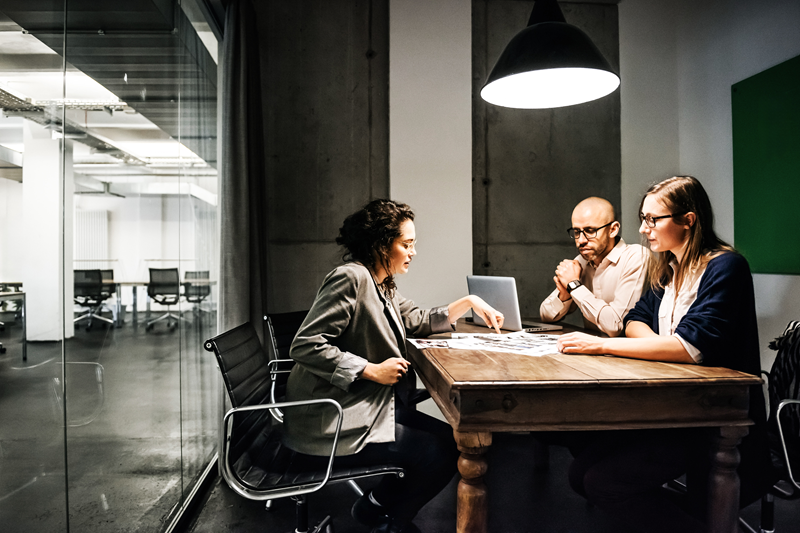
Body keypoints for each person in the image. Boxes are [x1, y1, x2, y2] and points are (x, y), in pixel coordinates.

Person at [555, 176, 773, 532]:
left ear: (689, 220)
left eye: (653, 219)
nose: (643, 229)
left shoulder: (725, 267)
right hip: (672, 404)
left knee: (602, 483)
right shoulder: (667, 270)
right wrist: (663, 346)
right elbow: (634, 321)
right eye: (643, 218)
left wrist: (602, 344)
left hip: (711, 415)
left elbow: (689, 346)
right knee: (580, 474)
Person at [283, 199, 504, 533]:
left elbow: (415, 319)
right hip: (334, 417)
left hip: (363, 407)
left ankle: (378, 512)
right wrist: (368, 369)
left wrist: (470, 301)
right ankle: (385, 518)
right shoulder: (350, 278)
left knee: (448, 441)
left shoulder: (380, 282)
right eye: (407, 244)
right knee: (438, 452)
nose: (413, 252)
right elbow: (305, 344)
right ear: (381, 245)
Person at [539, 197, 646, 337]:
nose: (581, 241)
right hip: (593, 353)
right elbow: (545, 315)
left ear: (613, 230)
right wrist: (564, 295)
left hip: (632, 355)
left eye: (590, 231)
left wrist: (574, 286)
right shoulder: (582, 261)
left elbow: (616, 326)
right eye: (577, 232)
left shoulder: (637, 257)